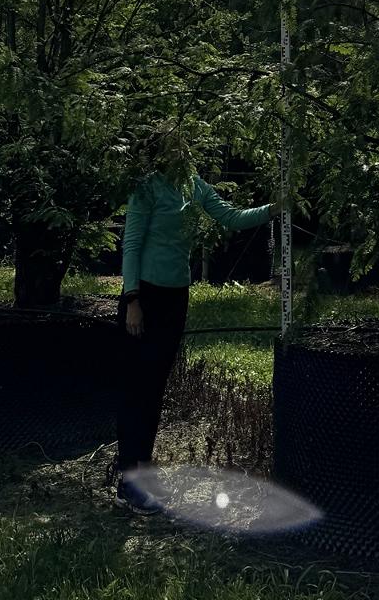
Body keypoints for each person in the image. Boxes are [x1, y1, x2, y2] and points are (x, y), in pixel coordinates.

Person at [114, 125, 272, 512]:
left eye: (184, 145)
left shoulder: (195, 186)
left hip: (176, 295)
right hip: (145, 296)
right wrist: (131, 298)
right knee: (139, 387)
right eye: (174, 146)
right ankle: (127, 479)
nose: (182, 152)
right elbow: (131, 244)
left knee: (156, 386)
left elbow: (231, 217)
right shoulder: (146, 188)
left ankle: (144, 474)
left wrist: (274, 209)